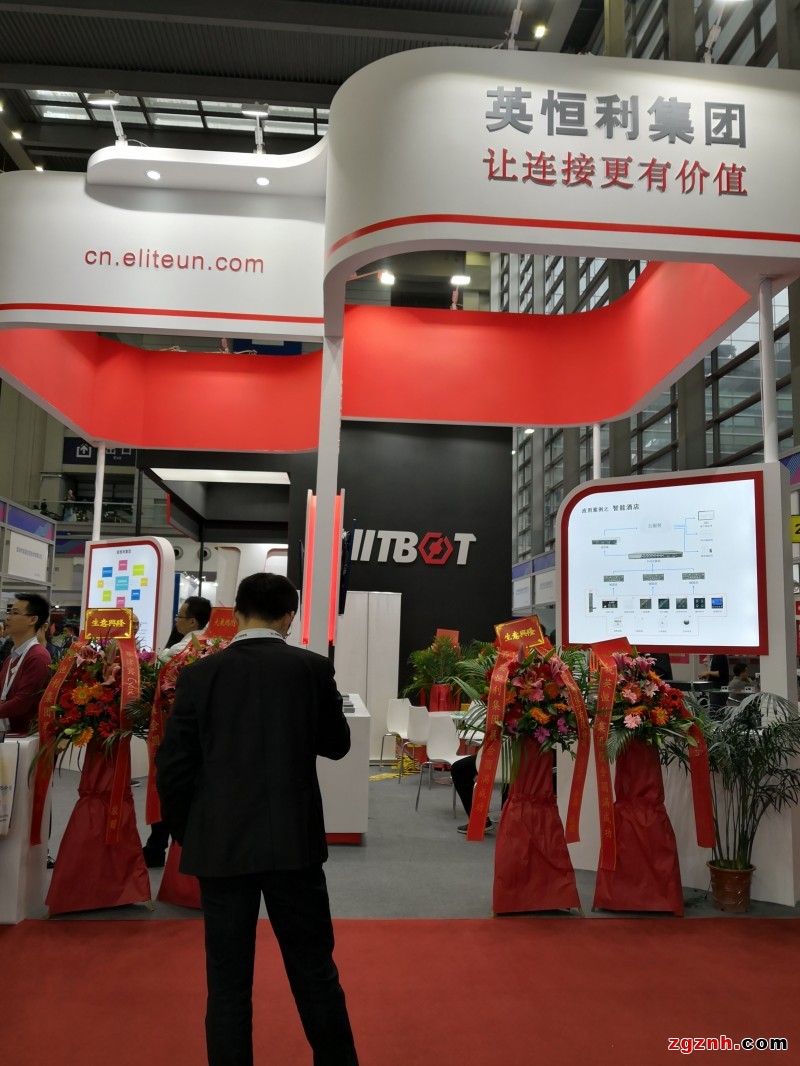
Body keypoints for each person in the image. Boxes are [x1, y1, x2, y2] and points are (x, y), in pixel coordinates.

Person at [155, 573, 358, 1066]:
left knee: (227, 982)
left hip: (221, 846)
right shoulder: (313, 668)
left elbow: (172, 768)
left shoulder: (199, 675)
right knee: (314, 972)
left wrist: (191, 833)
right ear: (289, 616)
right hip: (295, 844)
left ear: (238, 611)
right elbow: (337, 745)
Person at [0, 593, 52, 738]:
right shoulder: (11, 658)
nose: (8, 618)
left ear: (33, 620)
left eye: (15, 613)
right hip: (9, 737)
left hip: (26, 740)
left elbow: (22, 703)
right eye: (9, 613)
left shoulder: (38, 657)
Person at [158, 595, 212, 661]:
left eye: (179, 616)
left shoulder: (179, 649)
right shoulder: (212, 646)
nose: (176, 619)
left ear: (192, 622)